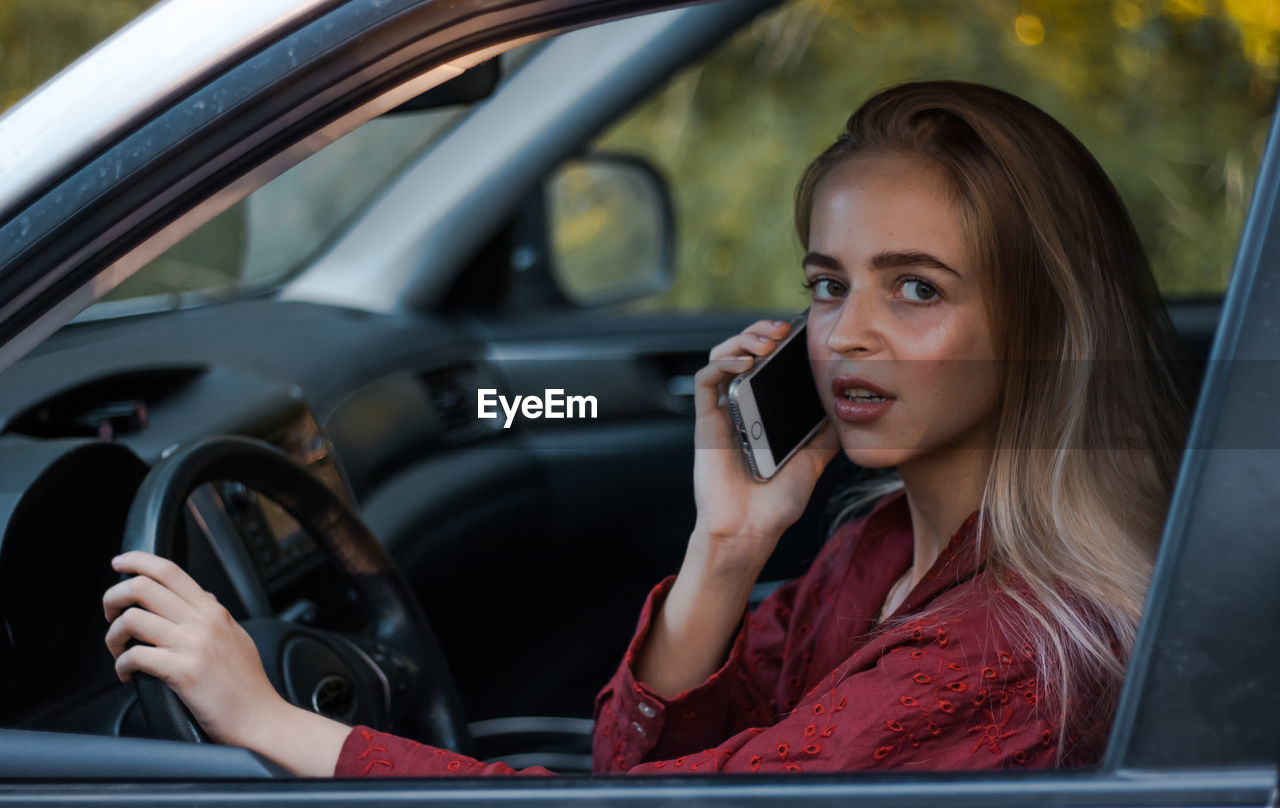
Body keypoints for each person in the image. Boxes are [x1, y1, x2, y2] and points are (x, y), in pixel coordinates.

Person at [102, 80, 1189, 776]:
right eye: (825, 283)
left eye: (914, 291)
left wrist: (275, 720)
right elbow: (643, 769)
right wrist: (725, 546)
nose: (844, 336)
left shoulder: (1007, 650)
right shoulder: (885, 544)